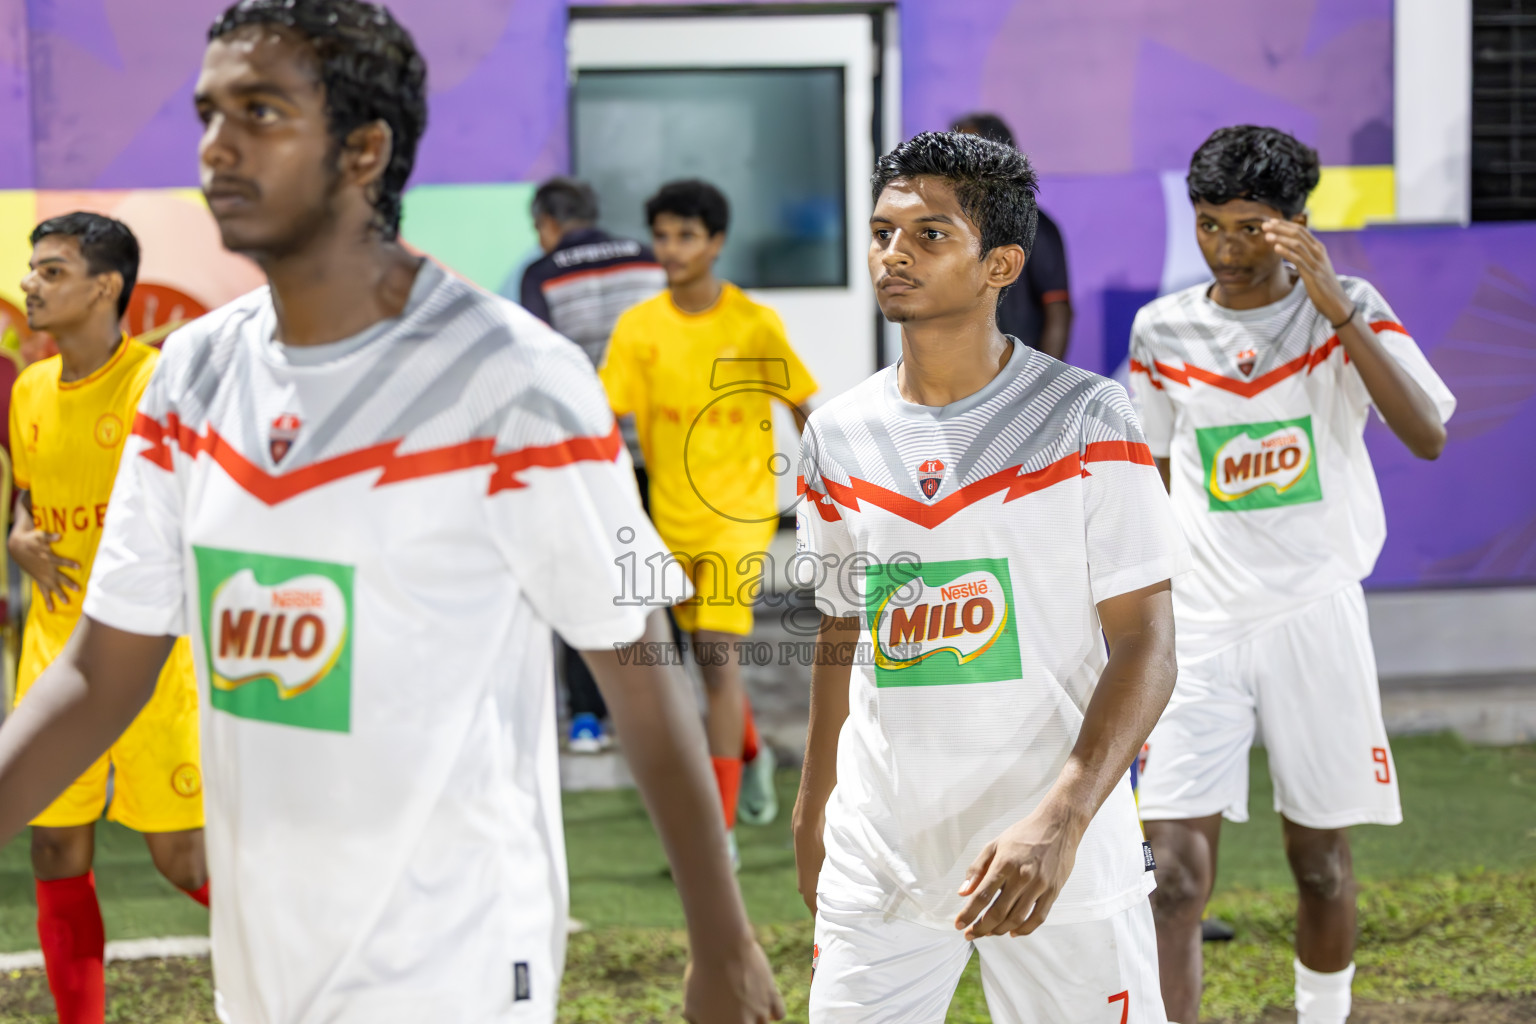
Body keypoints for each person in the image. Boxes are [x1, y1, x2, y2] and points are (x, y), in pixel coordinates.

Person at [0, 4, 783, 1023]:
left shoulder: (510, 378)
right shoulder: (192, 375)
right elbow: (103, 677)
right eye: (207, 113)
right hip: (263, 970)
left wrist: (721, 942)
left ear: (364, 150)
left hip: (453, 965)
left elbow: (635, 667)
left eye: (261, 111)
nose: (216, 146)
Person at [791, 130, 1186, 1022]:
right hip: (883, 848)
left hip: (1058, 847)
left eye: (930, 235)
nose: (894, 254)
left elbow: (1148, 644)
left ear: (1001, 262)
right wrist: (816, 808)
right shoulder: (838, 434)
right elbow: (842, 631)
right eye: (884, 231)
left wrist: (1066, 816)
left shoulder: (1087, 417)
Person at [1129, 125, 1455, 1024]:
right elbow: (1150, 475)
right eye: (1207, 226)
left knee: (1318, 864)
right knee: (1172, 881)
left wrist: (1336, 308)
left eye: (1248, 228)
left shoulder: (1347, 305)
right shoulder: (1163, 330)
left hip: (1315, 616)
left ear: (1296, 225)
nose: (1226, 251)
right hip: (1198, 628)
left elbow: (1426, 434)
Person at [10, 212, 208, 1024]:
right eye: (32, 269)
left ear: (106, 287)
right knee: (54, 845)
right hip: (53, 646)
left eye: (52, 271)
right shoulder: (26, 390)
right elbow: (28, 501)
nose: (30, 283)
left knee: (181, 855)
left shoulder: (158, 384)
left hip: (152, 654)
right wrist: (18, 535)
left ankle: (315, 985)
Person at [600, 179, 817, 846]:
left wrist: (846, 484)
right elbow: (604, 424)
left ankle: (713, 834)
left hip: (739, 516)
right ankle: (747, 758)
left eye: (687, 235)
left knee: (717, 660)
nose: (672, 248)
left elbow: (807, 408)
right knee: (701, 658)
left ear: (716, 243)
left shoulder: (751, 323)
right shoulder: (639, 329)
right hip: (669, 519)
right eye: (662, 235)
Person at [519, 177, 665, 754]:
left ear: (548, 224)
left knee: (584, 580)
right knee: (655, 579)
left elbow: (536, 362)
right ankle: (662, 713)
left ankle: (586, 718)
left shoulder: (543, 272)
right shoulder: (649, 259)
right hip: (660, 447)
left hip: (591, 455)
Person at [951, 113, 1073, 359]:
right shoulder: (947, 225)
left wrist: (1044, 384)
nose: (953, 162)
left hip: (1017, 376)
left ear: (996, 156)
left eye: (965, 150)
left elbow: (1058, 310)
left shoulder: (1035, 227)